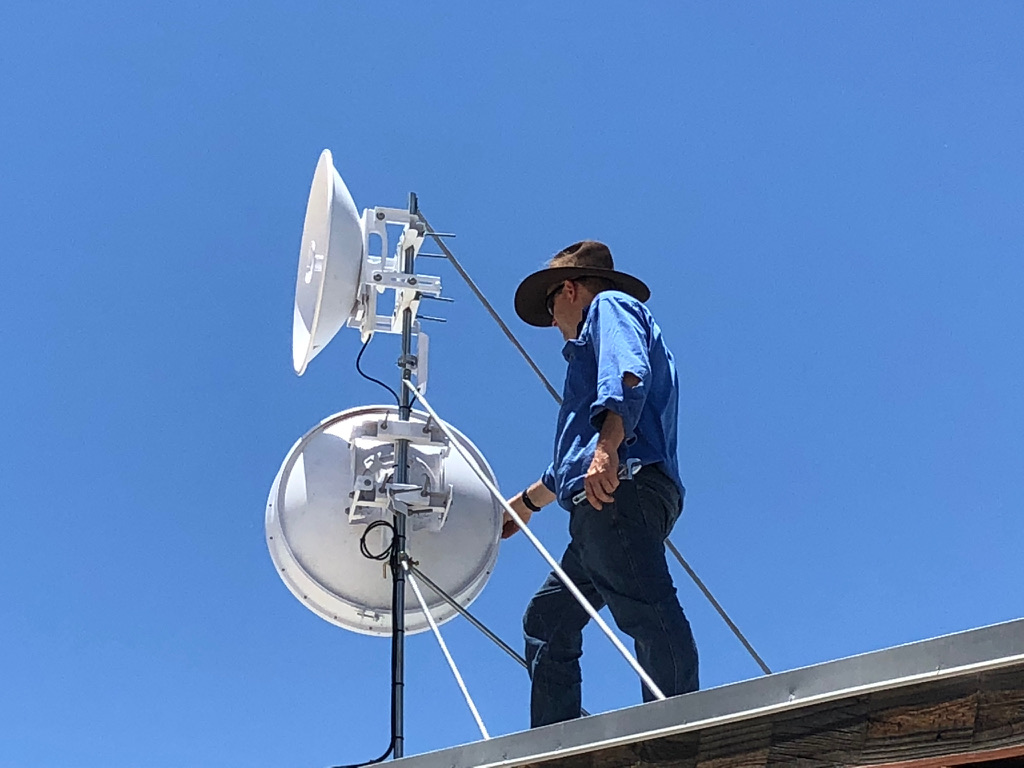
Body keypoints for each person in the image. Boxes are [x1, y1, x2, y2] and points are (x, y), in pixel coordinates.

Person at [502, 240, 699, 728]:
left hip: (617, 488)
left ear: (569, 289)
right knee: (547, 621)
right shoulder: (596, 336)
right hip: (603, 497)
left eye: (550, 307)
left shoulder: (610, 307)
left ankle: (677, 737)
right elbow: (570, 463)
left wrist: (609, 447)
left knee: (646, 609)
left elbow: (629, 373)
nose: (552, 323)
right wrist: (528, 503)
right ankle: (555, 746)